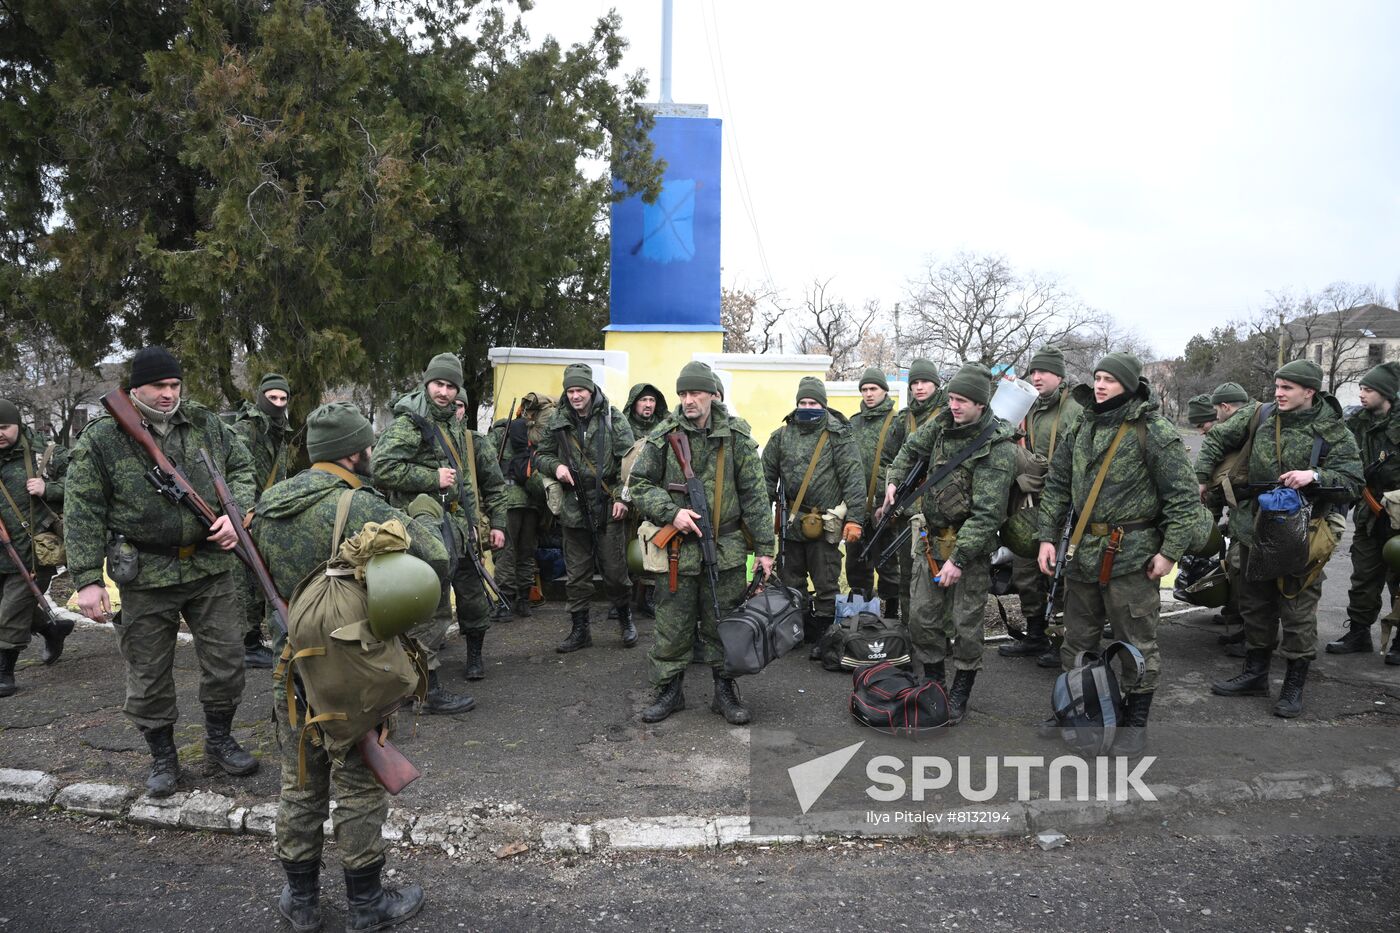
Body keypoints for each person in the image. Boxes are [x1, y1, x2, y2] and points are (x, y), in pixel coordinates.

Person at [252, 402, 448, 933]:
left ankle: (302, 901)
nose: (372, 453)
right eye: (368, 446)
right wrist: (427, 512)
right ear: (353, 452)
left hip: (290, 671)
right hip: (355, 673)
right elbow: (435, 557)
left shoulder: (266, 506)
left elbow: (252, 586)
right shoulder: (361, 506)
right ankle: (366, 904)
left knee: (299, 782)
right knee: (359, 784)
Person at [65, 346, 259, 796]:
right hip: (146, 573)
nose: (170, 394)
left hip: (210, 566)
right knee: (148, 674)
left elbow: (244, 468)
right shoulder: (103, 438)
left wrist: (238, 514)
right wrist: (88, 579)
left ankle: (219, 739)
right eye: (160, 386)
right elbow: (82, 510)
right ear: (135, 390)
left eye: (175, 385)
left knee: (228, 662)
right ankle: (163, 758)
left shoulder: (205, 422)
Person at [1037, 352, 1199, 754]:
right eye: (1097, 377)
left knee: (1136, 642)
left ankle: (1134, 723)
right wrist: (1045, 537)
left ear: (1128, 384)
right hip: (1081, 553)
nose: (1100, 385)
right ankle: (1076, 709)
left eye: (1109, 379)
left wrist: (1169, 553)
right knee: (1076, 640)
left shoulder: (1153, 430)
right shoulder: (1081, 425)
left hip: (1133, 557)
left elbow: (1183, 500)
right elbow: (1057, 485)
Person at [1206, 359, 1362, 717]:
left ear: (1309, 391)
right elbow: (1218, 438)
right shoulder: (1260, 418)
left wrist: (1315, 475)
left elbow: (1354, 482)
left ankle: (1293, 684)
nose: (1278, 393)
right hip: (1254, 528)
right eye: (1277, 386)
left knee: (1297, 610)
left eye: (1287, 388)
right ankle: (1255, 673)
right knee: (1255, 604)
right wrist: (1204, 478)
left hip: (1301, 533)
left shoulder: (1333, 431)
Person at [629, 361, 776, 723]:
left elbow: (756, 497)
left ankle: (724, 690)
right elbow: (638, 485)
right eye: (682, 393)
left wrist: (766, 550)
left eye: (695, 392)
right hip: (676, 550)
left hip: (724, 549)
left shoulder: (736, 437)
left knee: (722, 623)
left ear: (712, 394)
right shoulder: (664, 435)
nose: (688, 400)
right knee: (671, 624)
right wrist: (671, 512)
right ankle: (669, 690)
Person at [372, 352, 506, 711]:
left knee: (454, 600)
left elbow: (466, 485)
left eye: (450, 386)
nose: (444, 392)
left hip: (455, 524)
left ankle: (417, 685)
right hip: (425, 525)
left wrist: (477, 528)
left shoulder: (450, 424)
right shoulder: (412, 422)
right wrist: (430, 478)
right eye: (438, 384)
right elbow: (380, 467)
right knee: (431, 606)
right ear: (426, 383)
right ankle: (424, 691)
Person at [884, 364, 1016, 722]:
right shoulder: (941, 425)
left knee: (965, 623)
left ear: (980, 403)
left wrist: (958, 559)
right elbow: (909, 452)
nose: (954, 406)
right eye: (953, 398)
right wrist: (894, 481)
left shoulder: (997, 447)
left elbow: (988, 514)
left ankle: (961, 690)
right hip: (929, 541)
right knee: (922, 617)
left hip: (968, 549)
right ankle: (933, 683)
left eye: (962, 401)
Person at [534, 364, 636, 653]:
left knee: (615, 571)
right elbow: (541, 455)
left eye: (580, 390)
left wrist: (621, 498)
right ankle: (580, 630)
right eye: (570, 390)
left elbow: (628, 464)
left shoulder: (613, 418)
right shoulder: (557, 420)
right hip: (573, 504)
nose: (575, 395)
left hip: (607, 504)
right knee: (577, 573)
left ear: (591, 390)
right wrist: (558, 467)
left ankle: (625, 618)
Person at [762, 376, 866, 652]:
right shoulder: (781, 436)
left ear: (823, 404)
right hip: (791, 522)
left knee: (826, 582)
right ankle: (796, 629)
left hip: (825, 523)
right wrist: (759, 523)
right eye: (803, 402)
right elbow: (765, 482)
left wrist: (855, 519)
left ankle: (824, 636)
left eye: (813, 402)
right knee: (790, 578)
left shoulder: (839, 436)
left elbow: (854, 480)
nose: (807, 407)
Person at [998, 345, 1083, 664]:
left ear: (1059, 376)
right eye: (1033, 371)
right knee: (1025, 571)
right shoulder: (1026, 407)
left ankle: (1063, 640)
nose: (1037, 376)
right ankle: (1035, 635)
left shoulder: (1075, 410)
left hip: (1061, 504)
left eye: (1043, 371)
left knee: (1058, 573)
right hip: (1028, 501)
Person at [1326, 361, 1400, 663]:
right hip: (1370, 513)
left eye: (1368, 389)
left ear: (1386, 393)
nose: (1362, 394)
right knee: (1364, 576)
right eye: (1361, 388)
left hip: (1398, 514)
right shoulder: (1357, 423)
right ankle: (1359, 633)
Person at [0, 399, 71, 696]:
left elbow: (87, 483)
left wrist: (49, 489)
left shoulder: (47, 453)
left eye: (4, 427)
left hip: (34, 551)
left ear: (18, 424)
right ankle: (51, 628)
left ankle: (4, 674)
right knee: (16, 607)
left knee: (11, 611)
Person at [230, 372, 294, 670]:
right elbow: (236, 472)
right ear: (261, 398)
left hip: (264, 513)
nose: (278, 404)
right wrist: (245, 511)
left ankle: (251, 640)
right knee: (246, 578)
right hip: (245, 514)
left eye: (283, 399)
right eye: (272, 398)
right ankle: (247, 644)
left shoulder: (278, 430)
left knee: (258, 576)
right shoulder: (246, 430)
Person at [882, 358, 946, 630]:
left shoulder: (949, 412)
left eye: (925, 382)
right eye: (915, 383)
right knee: (908, 575)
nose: (919, 388)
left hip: (941, 509)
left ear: (936, 383)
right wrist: (890, 487)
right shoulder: (903, 419)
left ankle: (941, 635)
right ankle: (910, 630)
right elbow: (890, 458)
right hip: (909, 510)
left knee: (937, 574)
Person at [845, 367, 901, 618]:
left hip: (885, 505)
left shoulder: (897, 422)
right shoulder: (852, 423)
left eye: (873, 389)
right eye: (864, 389)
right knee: (856, 563)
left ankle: (891, 617)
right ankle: (860, 618)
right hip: (857, 506)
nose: (868, 394)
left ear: (884, 391)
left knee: (888, 563)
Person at [488, 404, 544, 620]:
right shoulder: (534, 435)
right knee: (526, 552)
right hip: (531, 501)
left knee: (505, 552)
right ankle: (523, 600)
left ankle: (505, 602)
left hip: (507, 500)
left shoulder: (500, 433)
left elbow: (488, 463)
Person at [623, 382, 669, 619]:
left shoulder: (664, 427)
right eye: (644, 400)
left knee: (651, 544)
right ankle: (622, 601)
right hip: (626, 498)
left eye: (652, 401)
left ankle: (648, 597)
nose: (648, 405)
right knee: (625, 548)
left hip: (652, 496)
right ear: (634, 404)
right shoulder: (623, 428)